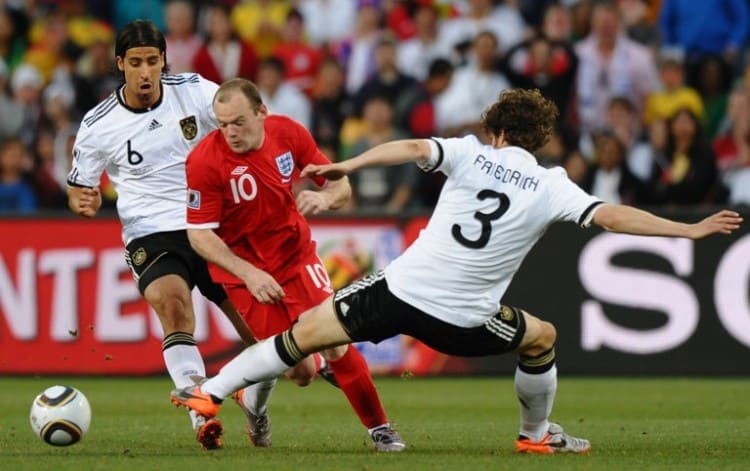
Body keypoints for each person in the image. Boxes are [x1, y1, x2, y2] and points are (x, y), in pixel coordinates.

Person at [170, 88, 743, 454]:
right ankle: (535, 436)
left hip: (400, 291)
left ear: (494, 131)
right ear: (536, 140)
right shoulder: (552, 184)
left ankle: (211, 392)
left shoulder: (469, 152)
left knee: (302, 337)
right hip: (466, 321)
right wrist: (687, 231)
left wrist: (350, 162)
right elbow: (613, 217)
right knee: (541, 337)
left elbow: (412, 147)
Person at [182, 78, 405, 452]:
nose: (230, 133)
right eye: (222, 124)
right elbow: (199, 235)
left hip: (296, 257)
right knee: (299, 372)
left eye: (238, 122)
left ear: (261, 113)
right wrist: (249, 274)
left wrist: (325, 199)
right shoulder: (205, 161)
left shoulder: (288, 133)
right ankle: (254, 407)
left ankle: (380, 429)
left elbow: (340, 184)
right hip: (244, 274)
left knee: (335, 339)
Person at [66, 20, 257, 451]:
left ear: (164, 60)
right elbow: (79, 184)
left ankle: (248, 395)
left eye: (153, 61)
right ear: (121, 65)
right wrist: (81, 200)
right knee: (174, 306)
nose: (146, 72)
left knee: (259, 333)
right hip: (150, 233)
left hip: (210, 223)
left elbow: (237, 118)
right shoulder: (98, 123)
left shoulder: (194, 91)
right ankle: (198, 408)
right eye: (136, 63)